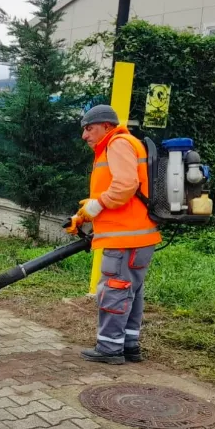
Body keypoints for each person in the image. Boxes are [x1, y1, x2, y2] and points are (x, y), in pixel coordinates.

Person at [67, 105, 161, 365]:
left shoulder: (117, 144)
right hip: (138, 237)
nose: (84, 135)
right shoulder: (122, 145)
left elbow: (124, 186)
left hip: (124, 238)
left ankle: (109, 348)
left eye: (89, 128)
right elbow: (112, 194)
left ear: (106, 126)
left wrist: (98, 205)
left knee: (114, 291)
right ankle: (128, 345)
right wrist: (82, 216)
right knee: (131, 292)